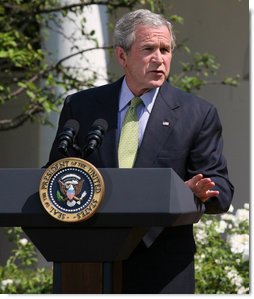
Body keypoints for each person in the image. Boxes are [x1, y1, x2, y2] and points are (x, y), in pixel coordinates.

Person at [46, 9, 234, 294]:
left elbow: (221, 189)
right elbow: (56, 176)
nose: (159, 59)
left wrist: (189, 192)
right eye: (148, 49)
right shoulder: (82, 107)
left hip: (162, 266)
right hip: (89, 260)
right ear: (122, 56)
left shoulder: (198, 114)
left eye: (165, 49)